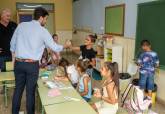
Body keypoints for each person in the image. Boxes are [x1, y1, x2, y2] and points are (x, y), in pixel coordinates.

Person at [10, 7, 70, 114]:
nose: (46, 21)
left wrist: (14, 60)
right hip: (32, 65)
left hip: (18, 63)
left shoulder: (21, 25)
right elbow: (54, 47)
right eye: (46, 19)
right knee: (30, 92)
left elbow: (12, 45)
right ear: (41, 18)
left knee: (18, 90)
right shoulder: (43, 31)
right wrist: (65, 45)